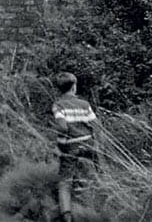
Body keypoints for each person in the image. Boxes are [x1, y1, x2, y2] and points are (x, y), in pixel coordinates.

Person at [50, 72, 98, 222]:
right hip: (88, 145)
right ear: (74, 87)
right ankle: (89, 210)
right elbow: (96, 125)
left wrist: (58, 135)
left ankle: (67, 216)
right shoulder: (85, 104)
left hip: (70, 148)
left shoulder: (58, 105)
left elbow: (63, 127)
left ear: (59, 89)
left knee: (65, 182)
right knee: (88, 177)